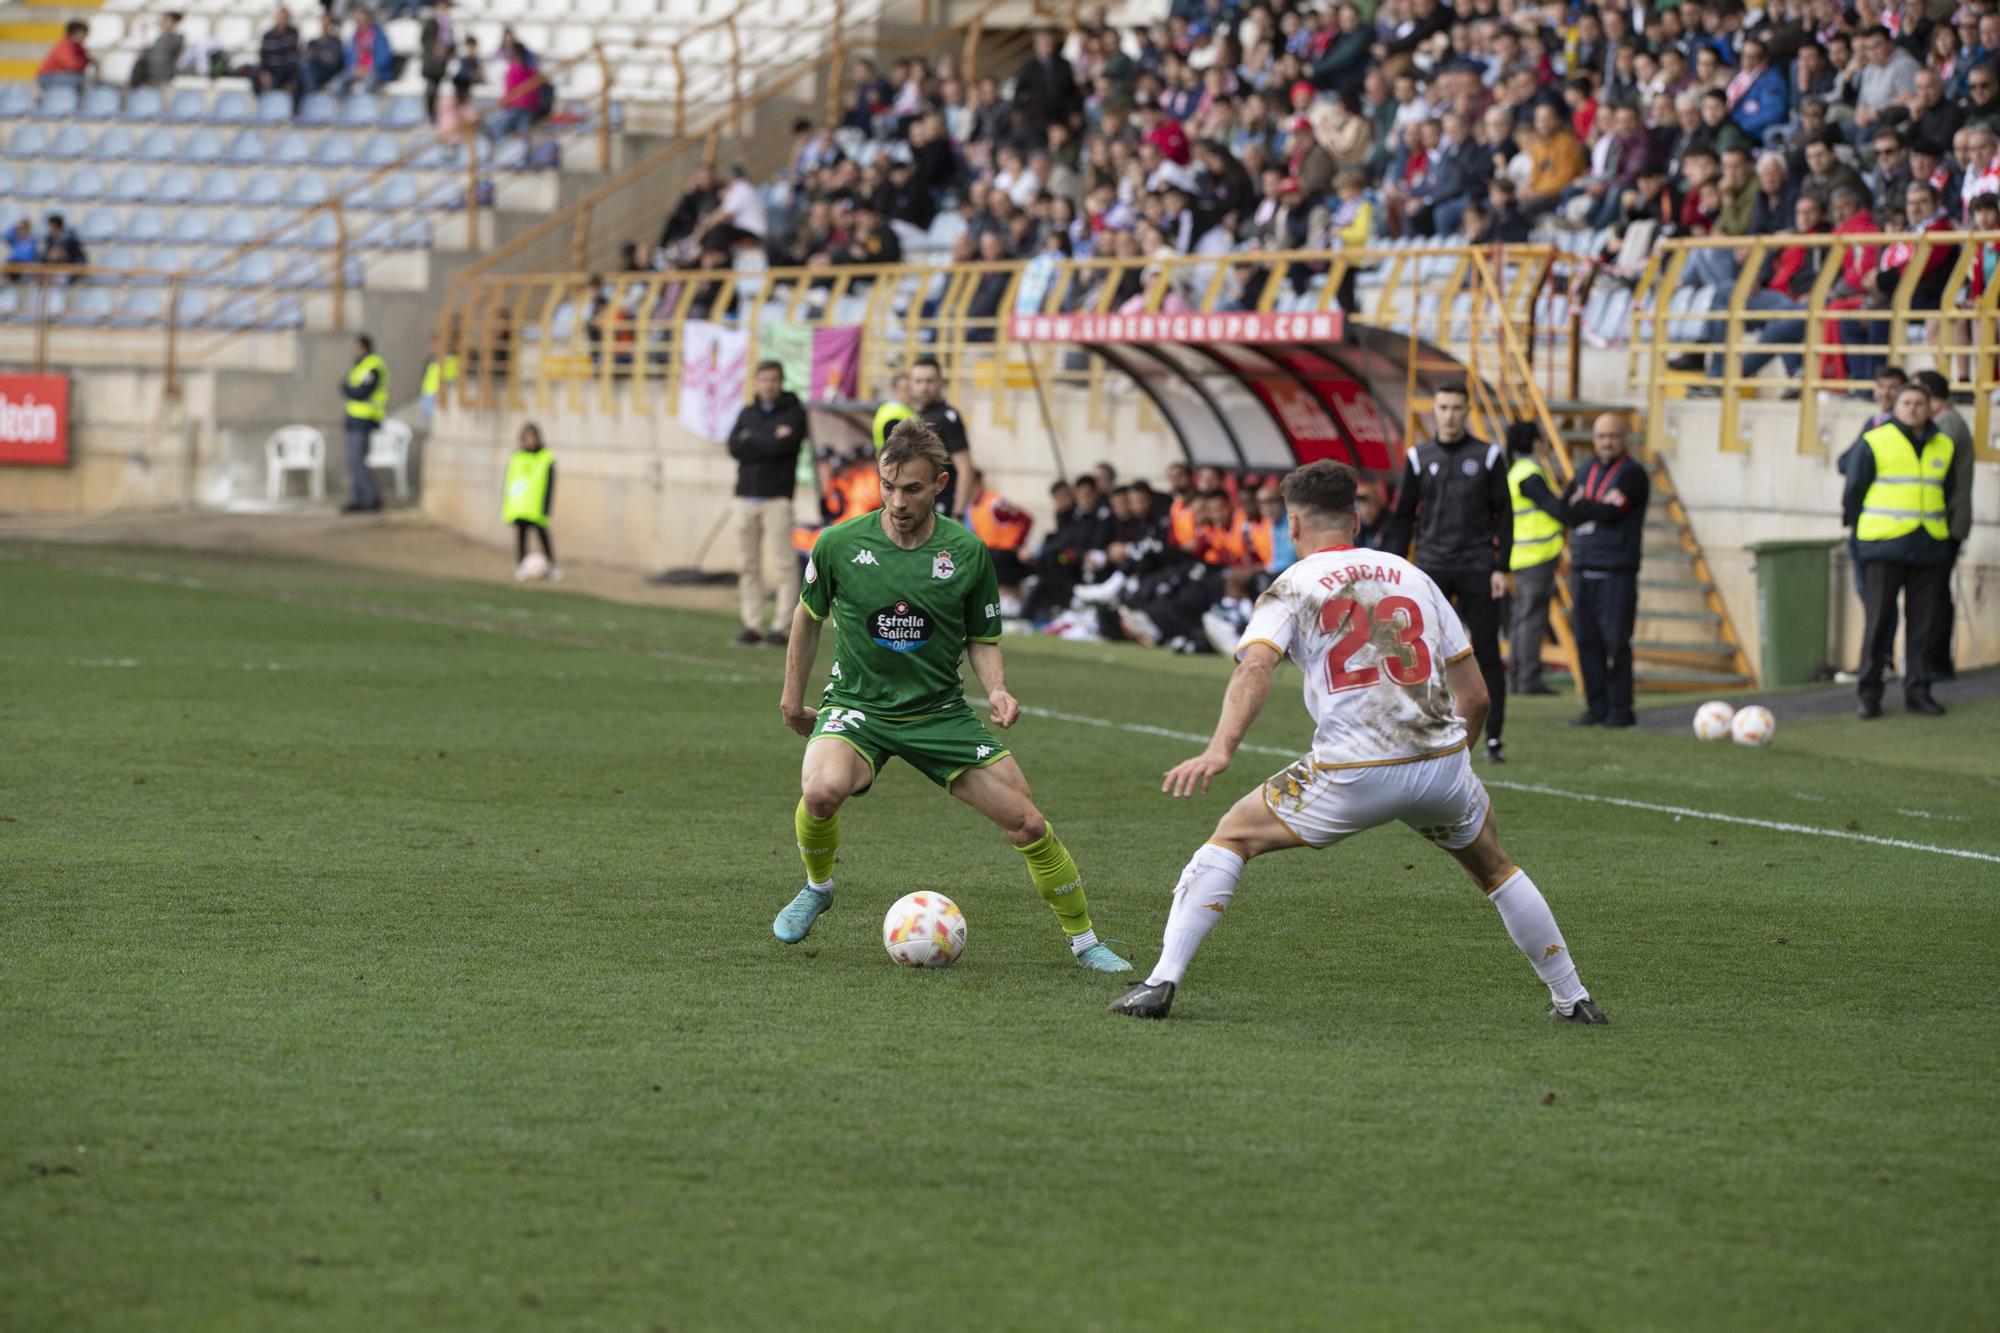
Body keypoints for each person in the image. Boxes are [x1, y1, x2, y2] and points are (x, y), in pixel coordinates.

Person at [1106, 460, 1604, 1024]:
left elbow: (1254, 669)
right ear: (1358, 521)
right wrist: (1451, 768)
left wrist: (1220, 749)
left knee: (1230, 839)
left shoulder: (1291, 586)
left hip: (1354, 770)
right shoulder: (1413, 576)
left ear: (1292, 526)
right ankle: (1573, 998)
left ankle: (1159, 982)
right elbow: (1478, 698)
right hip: (1441, 761)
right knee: (1494, 867)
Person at [772, 421, 1133, 974]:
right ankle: (818, 886)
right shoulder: (840, 544)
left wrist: (998, 689)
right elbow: (808, 617)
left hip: (939, 713)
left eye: (912, 488)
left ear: (940, 483)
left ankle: (1084, 941)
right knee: (821, 791)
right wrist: (793, 700)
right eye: (889, 485)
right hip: (858, 707)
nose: (897, 500)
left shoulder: (966, 553)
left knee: (1028, 824)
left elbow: (981, 635)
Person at [1382, 383, 1512, 764]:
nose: (1450, 414)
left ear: (1467, 410)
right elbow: (1404, 515)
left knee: (1485, 652)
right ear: (1434, 411)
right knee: (1419, 652)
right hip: (1431, 568)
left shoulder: (1487, 455)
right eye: (1443, 407)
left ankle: (1493, 738)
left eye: (1457, 407)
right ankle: (1417, 729)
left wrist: (1501, 566)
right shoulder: (1419, 456)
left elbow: (1504, 515)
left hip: (1476, 567)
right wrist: (1391, 568)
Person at [1843, 381, 1961, 718]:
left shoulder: (1943, 445)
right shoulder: (1875, 441)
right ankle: (1869, 694)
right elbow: (1854, 490)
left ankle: (1918, 691)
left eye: (1918, 403)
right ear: (1896, 407)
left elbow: (1948, 491)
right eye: (1906, 402)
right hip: (1885, 546)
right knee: (1879, 624)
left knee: (1923, 626)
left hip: (1928, 547)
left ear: (1930, 407)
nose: (1912, 409)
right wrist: (1863, 534)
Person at [1528, 414, 1648, 728]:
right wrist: (1587, 506)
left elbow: (1611, 512)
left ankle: (1621, 709)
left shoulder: (1633, 475)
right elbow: (1566, 511)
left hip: (1616, 569)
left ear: (1624, 439)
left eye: (1613, 436)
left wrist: (1585, 505)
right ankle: (1596, 708)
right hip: (1583, 567)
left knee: (1616, 642)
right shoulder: (1584, 471)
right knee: (1586, 640)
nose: (1606, 442)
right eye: (1601, 436)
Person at [725, 359, 810, 647]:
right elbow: (734, 446)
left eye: (774, 379)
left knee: (784, 564)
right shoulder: (747, 412)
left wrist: (754, 441)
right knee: (748, 565)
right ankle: (752, 624)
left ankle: (782, 627)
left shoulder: (794, 413)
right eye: (764, 379)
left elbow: (784, 446)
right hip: (744, 498)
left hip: (777, 500)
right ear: (757, 382)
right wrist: (767, 440)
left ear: (781, 381)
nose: (769, 385)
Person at [1911, 370, 1971, 679]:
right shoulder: (1949, 422)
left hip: (1946, 521)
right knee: (1935, 592)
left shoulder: (1947, 425)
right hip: (1946, 519)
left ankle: (1937, 662)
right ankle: (1935, 661)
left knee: (1935, 593)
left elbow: (1932, 466)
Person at [1504, 422, 1563, 697]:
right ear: (1534, 442)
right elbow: (1553, 508)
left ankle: (1519, 676)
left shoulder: (1516, 471)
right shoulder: (1529, 473)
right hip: (1536, 556)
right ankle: (1528, 678)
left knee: (1522, 617)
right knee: (1531, 618)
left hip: (1524, 555)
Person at [906, 355, 971, 519]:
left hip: (943, 509)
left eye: (930, 381)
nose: (924, 387)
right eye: (918, 381)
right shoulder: (918, 415)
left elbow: (965, 468)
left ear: (941, 382)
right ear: (911, 384)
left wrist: (958, 514)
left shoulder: (948, 418)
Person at [964, 469, 1033, 616]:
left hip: (1007, 554)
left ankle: (1009, 598)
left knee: (996, 556)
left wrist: (1019, 545)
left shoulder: (995, 504)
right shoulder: (972, 508)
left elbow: (1026, 519)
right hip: (991, 553)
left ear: (978, 483)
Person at [503, 423, 559, 581]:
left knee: (542, 535)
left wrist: (546, 505)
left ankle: (552, 566)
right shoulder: (517, 456)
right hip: (520, 506)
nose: (528, 440)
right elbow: (510, 481)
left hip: (536, 506)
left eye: (531, 436)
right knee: (521, 536)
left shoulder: (546, 456)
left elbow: (549, 482)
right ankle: (522, 565)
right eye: (526, 436)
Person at [339, 335, 387, 514]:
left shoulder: (374, 365)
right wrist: (351, 391)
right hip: (353, 419)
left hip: (365, 420)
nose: (355, 350)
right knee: (353, 461)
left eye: (357, 347)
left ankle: (371, 497)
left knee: (358, 460)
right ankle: (357, 499)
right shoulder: (357, 365)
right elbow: (343, 386)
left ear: (364, 347)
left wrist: (351, 391)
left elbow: (361, 391)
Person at [131, 12, 184, 90]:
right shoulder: (160, 38)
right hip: (151, 76)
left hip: (162, 78)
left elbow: (161, 57)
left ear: (173, 22)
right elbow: (147, 53)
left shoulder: (177, 38)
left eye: (165, 20)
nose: (162, 22)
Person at [36, 21, 92, 92]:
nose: (85, 37)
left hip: (62, 76)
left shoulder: (77, 46)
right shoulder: (65, 45)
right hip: (48, 77)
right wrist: (85, 62)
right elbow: (72, 65)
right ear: (76, 33)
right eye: (84, 34)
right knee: (83, 81)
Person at [257, 8, 302, 94]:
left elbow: (294, 56)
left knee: (297, 81)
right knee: (255, 77)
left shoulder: (293, 33)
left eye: (284, 18)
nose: (282, 20)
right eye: (280, 17)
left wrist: (291, 78)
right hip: (272, 70)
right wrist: (264, 72)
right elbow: (263, 55)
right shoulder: (268, 35)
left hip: (286, 70)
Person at [870, 372, 913, 451]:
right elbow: (898, 448)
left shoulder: (887, 408)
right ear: (894, 391)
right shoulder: (894, 414)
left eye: (911, 388)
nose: (911, 393)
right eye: (906, 389)